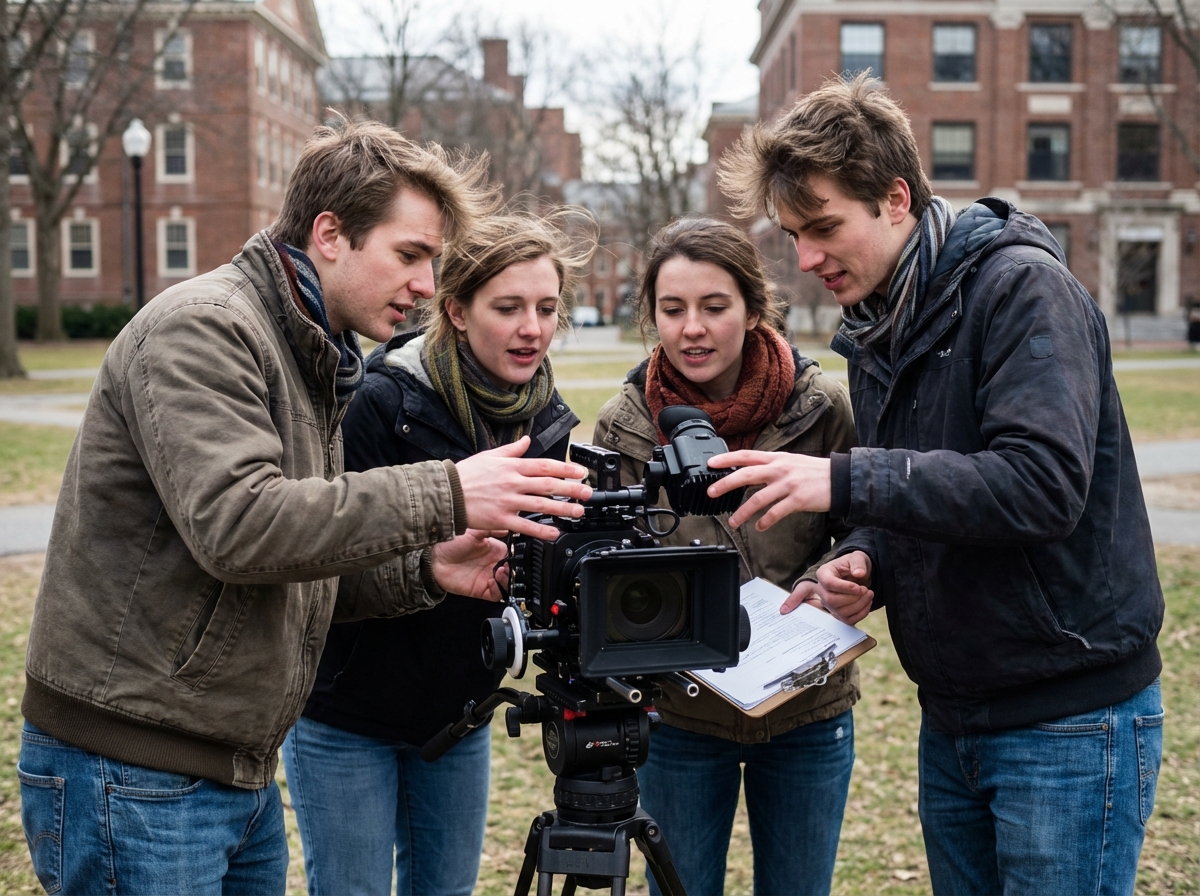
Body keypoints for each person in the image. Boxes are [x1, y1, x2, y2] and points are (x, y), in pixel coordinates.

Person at [17, 120, 593, 896]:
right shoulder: (207, 327)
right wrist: (451, 491)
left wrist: (425, 569)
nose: (427, 284)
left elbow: (294, 564)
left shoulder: (307, 349)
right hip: (134, 766)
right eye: (411, 254)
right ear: (330, 234)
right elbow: (240, 526)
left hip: (227, 762)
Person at [707, 75, 1165, 895]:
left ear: (894, 197)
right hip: (953, 719)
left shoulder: (1023, 290)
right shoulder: (882, 325)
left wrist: (843, 480)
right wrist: (868, 565)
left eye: (822, 228)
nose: (806, 259)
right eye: (792, 235)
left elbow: (1041, 485)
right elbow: (923, 491)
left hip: (1067, 723)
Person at [282, 210, 593, 896]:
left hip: (461, 713)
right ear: (455, 309)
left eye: (546, 308)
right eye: (507, 308)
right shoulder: (376, 401)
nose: (531, 328)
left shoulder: (546, 417)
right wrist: (431, 561)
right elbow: (317, 564)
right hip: (347, 714)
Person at [592, 217, 858, 896]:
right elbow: (604, 565)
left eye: (714, 307)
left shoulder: (823, 407)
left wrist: (845, 576)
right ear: (650, 313)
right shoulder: (622, 424)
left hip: (807, 703)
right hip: (678, 714)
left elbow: (867, 531)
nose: (693, 330)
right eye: (672, 309)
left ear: (753, 306)